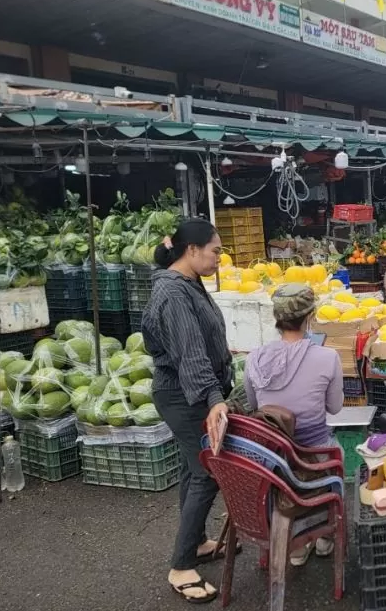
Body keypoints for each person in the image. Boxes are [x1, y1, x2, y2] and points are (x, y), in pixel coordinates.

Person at [142, 218, 233, 604]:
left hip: (188, 391)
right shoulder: (173, 295)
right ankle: (180, 566)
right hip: (183, 395)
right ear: (191, 250)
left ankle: (196, 543)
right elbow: (191, 355)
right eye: (214, 250)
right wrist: (214, 399)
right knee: (207, 471)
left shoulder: (185, 283)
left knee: (190, 467)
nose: (218, 257)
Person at [243, 283, 344, 565]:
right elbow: (334, 408)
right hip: (314, 455)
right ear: (310, 317)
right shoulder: (327, 357)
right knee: (338, 454)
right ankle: (325, 535)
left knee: (290, 472)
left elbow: (254, 407)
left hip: (271, 458)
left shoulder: (254, 359)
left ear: (277, 319)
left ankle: (295, 544)